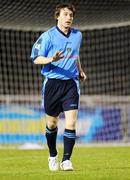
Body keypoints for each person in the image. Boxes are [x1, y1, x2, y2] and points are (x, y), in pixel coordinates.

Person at [31, 3, 87, 171]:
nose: (69, 17)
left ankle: (66, 160)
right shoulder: (48, 36)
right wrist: (51, 60)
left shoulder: (78, 35)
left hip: (71, 84)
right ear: (57, 16)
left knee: (71, 123)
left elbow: (75, 54)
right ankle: (53, 154)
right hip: (52, 84)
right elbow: (35, 58)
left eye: (71, 15)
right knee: (52, 123)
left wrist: (80, 70)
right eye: (65, 14)